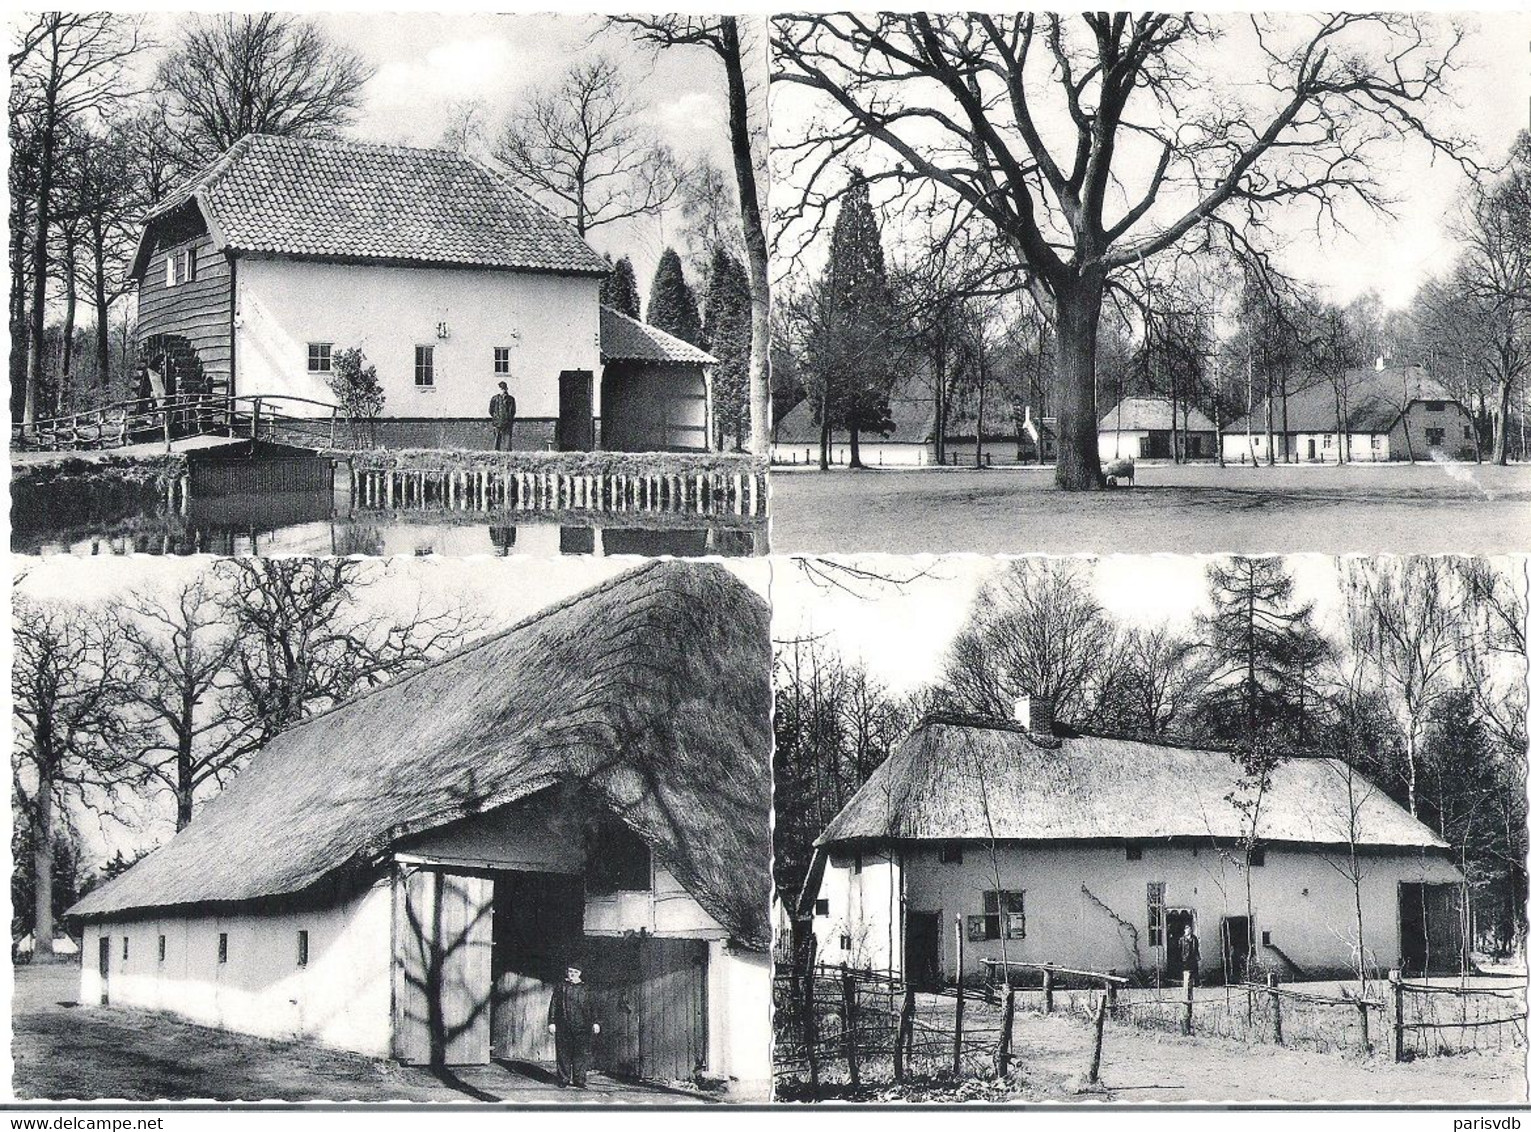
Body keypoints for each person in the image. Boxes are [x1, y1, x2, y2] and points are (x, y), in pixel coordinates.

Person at [547, 961, 600, 1088]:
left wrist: (596, 1022)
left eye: (575, 972)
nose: (572, 974)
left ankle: (579, 1080)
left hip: (583, 1026)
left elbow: (594, 1007)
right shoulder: (561, 987)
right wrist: (552, 1022)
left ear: (580, 973)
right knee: (563, 1053)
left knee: (581, 1054)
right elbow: (553, 1005)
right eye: (570, 971)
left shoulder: (587, 988)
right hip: (564, 1025)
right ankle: (563, 1079)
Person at [490, 381, 516, 451]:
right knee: (496, 441)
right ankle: (496, 453)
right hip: (497, 423)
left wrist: (509, 419)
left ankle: (507, 455)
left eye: (504, 389)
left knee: (507, 442)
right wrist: (496, 418)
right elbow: (491, 410)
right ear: (499, 389)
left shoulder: (511, 399)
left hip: (507, 423)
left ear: (507, 389)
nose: (503, 390)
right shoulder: (494, 399)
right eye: (501, 389)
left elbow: (512, 411)